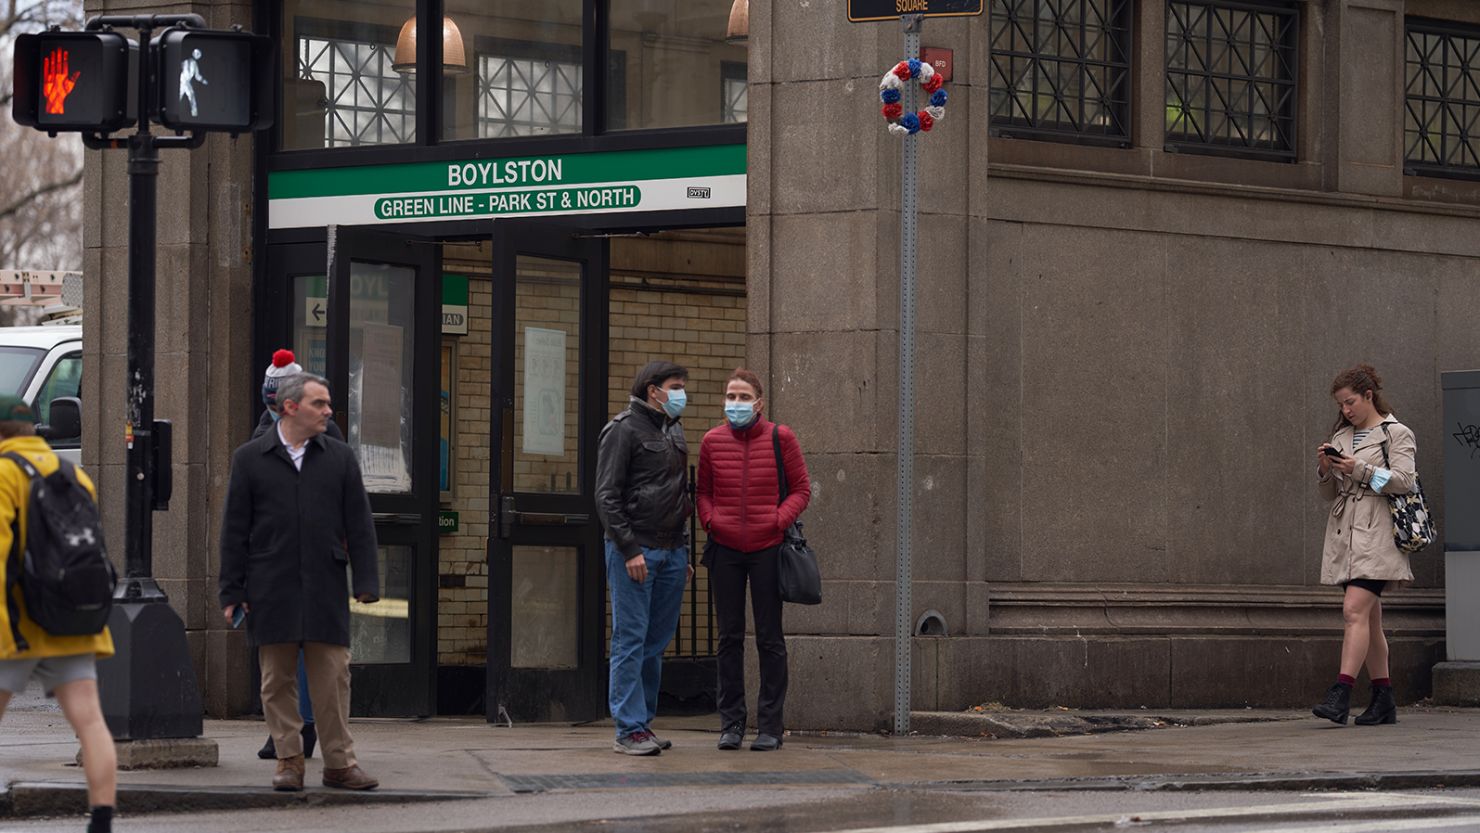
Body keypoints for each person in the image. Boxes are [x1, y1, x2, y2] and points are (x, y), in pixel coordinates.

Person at [219, 373, 382, 791]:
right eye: (320, 404)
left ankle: (339, 764)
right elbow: (234, 530)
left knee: (332, 678)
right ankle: (289, 761)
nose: (328, 411)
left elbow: (359, 524)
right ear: (291, 407)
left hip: (325, 583)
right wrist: (232, 591)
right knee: (277, 682)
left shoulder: (340, 457)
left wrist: (365, 580)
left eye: (327, 404)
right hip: (270, 585)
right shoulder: (250, 458)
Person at [0, 395, 116, 833]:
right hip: (70, 618)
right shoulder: (74, 476)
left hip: (16, 625)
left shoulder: (5, 473)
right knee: (89, 721)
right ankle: (102, 819)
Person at [697, 369, 810, 752]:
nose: (736, 403)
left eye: (744, 397)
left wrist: (776, 521)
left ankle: (770, 727)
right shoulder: (711, 441)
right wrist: (711, 520)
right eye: (731, 396)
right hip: (725, 549)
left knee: (769, 638)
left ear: (759, 403)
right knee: (728, 638)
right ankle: (731, 724)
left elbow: (801, 489)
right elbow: (703, 493)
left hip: (767, 549)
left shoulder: (782, 437)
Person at [595, 361, 693, 756]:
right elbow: (607, 496)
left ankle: (643, 723)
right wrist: (630, 549)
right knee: (630, 639)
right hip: (636, 552)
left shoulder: (673, 430)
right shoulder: (622, 430)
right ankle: (628, 729)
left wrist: (682, 550)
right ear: (653, 390)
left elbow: (679, 495)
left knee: (655, 642)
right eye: (676, 386)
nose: (681, 393)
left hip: (671, 552)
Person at [251, 350, 341, 761]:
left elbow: (349, 505)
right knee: (278, 664)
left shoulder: (330, 439)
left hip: (318, 563)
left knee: (321, 663)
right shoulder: (259, 440)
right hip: (276, 565)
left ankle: (321, 738)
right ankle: (286, 737)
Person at [1314, 364, 1415, 726]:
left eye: (1351, 402)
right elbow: (1329, 494)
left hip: (1380, 535)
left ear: (1369, 395)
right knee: (1369, 621)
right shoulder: (1341, 435)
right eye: (1341, 405)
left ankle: (1340, 693)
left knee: (1354, 610)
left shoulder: (1396, 433)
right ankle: (1383, 699)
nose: (1346, 410)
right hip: (1347, 536)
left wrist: (1360, 469)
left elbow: (1404, 481)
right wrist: (1327, 470)